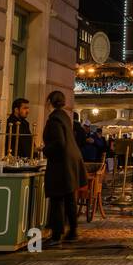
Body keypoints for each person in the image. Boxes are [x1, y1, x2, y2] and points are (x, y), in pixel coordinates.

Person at [43, 90, 85, 245]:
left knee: (57, 199)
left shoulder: (54, 120)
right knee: (69, 199)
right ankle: (72, 231)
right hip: (71, 162)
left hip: (61, 164)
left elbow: (59, 143)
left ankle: (56, 234)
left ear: (49, 103)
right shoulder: (65, 118)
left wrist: (45, 150)